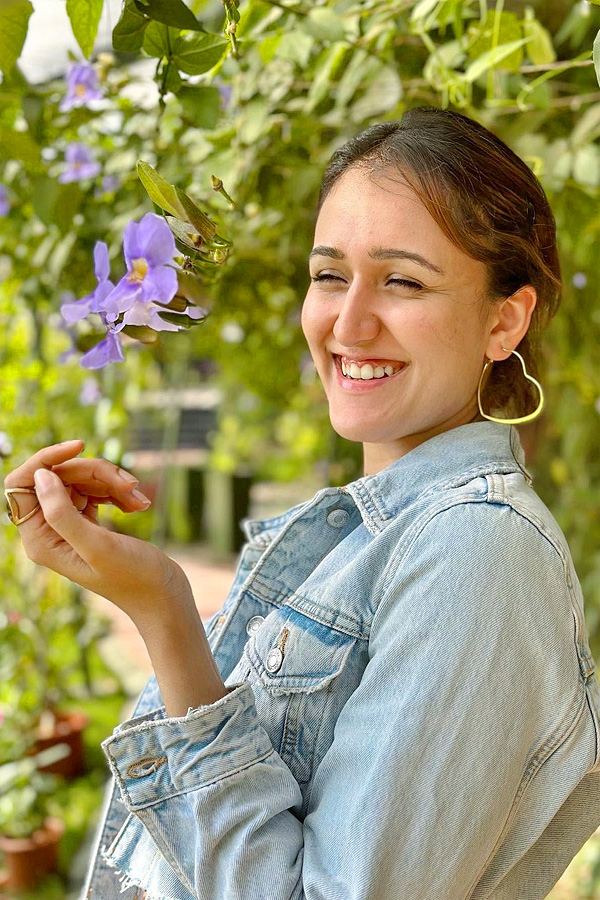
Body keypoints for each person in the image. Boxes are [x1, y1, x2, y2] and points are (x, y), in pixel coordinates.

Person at [4, 106, 600, 900]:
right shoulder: (364, 535)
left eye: (403, 280)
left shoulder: (479, 552)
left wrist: (166, 614)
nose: (348, 324)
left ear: (504, 321)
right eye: (329, 275)